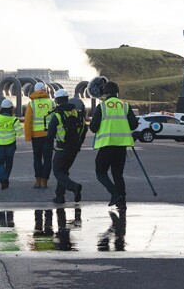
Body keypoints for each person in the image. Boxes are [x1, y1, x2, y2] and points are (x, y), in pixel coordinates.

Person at [88, 81, 137, 209]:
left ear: (105, 92)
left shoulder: (102, 107)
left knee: (100, 172)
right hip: (121, 146)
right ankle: (122, 201)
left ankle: (114, 193)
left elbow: (93, 128)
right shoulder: (125, 106)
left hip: (106, 145)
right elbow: (134, 125)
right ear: (117, 92)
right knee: (117, 174)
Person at [47, 88, 87, 205]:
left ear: (57, 100)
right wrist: (79, 144)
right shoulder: (77, 113)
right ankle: (60, 197)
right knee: (63, 171)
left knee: (58, 171)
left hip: (61, 149)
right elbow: (84, 129)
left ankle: (74, 187)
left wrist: (49, 144)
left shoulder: (57, 116)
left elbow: (50, 134)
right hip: (74, 149)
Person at [23, 83, 55, 188]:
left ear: (35, 90)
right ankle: (45, 181)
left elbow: (28, 121)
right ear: (45, 90)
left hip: (36, 136)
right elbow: (56, 119)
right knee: (47, 159)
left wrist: (28, 136)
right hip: (49, 135)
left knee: (37, 158)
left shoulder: (32, 104)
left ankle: (38, 181)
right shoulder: (51, 103)